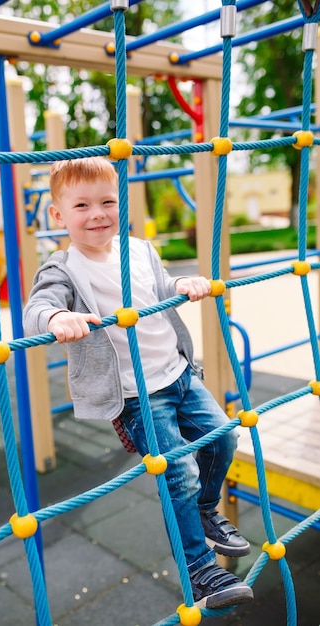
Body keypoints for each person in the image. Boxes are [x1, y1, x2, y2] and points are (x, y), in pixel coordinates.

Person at [23, 156, 253, 610]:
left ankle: (207, 511)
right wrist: (57, 316)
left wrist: (182, 284)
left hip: (179, 373)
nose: (97, 214)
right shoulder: (63, 267)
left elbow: (159, 288)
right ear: (58, 215)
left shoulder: (139, 249)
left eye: (107, 201)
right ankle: (199, 570)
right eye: (82, 205)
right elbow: (36, 308)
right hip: (136, 394)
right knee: (177, 474)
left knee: (224, 441)